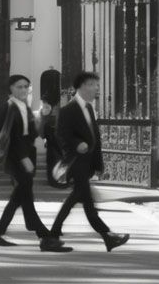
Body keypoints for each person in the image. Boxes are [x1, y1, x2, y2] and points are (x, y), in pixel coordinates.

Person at [0, 74, 70, 252]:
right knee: (23, 195)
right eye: (19, 87)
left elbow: (33, 134)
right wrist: (23, 157)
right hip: (17, 158)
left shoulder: (24, 107)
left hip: (26, 156)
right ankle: (45, 236)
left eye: (26, 87)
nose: (24, 90)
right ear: (11, 89)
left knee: (21, 197)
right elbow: (1, 135)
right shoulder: (7, 108)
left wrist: (43, 116)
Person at [48, 72, 129, 251]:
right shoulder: (68, 109)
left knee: (81, 200)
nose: (96, 88)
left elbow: (95, 139)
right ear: (82, 86)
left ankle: (52, 237)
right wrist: (77, 144)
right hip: (76, 162)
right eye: (92, 84)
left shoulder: (89, 108)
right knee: (83, 200)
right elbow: (61, 134)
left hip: (87, 163)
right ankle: (107, 236)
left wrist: (98, 164)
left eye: (96, 85)